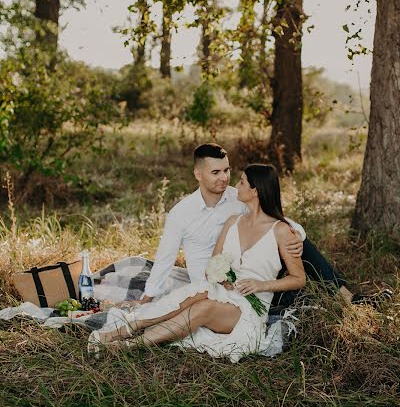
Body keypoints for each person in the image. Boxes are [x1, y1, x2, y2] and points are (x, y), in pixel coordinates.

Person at [89, 164, 306, 362]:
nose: (235, 185)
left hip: (250, 307)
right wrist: (221, 277)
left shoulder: (283, 231)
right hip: (224, 291)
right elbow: (214, 262)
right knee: (191, 295)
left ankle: (128, 347)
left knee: (203, 306)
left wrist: (262, 285)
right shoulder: (233, 222)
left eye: (241, 182)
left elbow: (298, 279)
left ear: (255, 190)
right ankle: (122, 330)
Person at [137, 143, 353, 310]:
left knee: (299, 243)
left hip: (249, 271)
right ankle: (301, 301)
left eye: (227, 170)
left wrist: (297, 236)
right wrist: (146, 299)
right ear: (198, 174)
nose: (224, 178)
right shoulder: (181, 213)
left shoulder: (238, 197)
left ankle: (346, 297)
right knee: (282, 291)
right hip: (213, 280)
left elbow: (273, 219)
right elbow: (164, 259)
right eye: (215, 172)